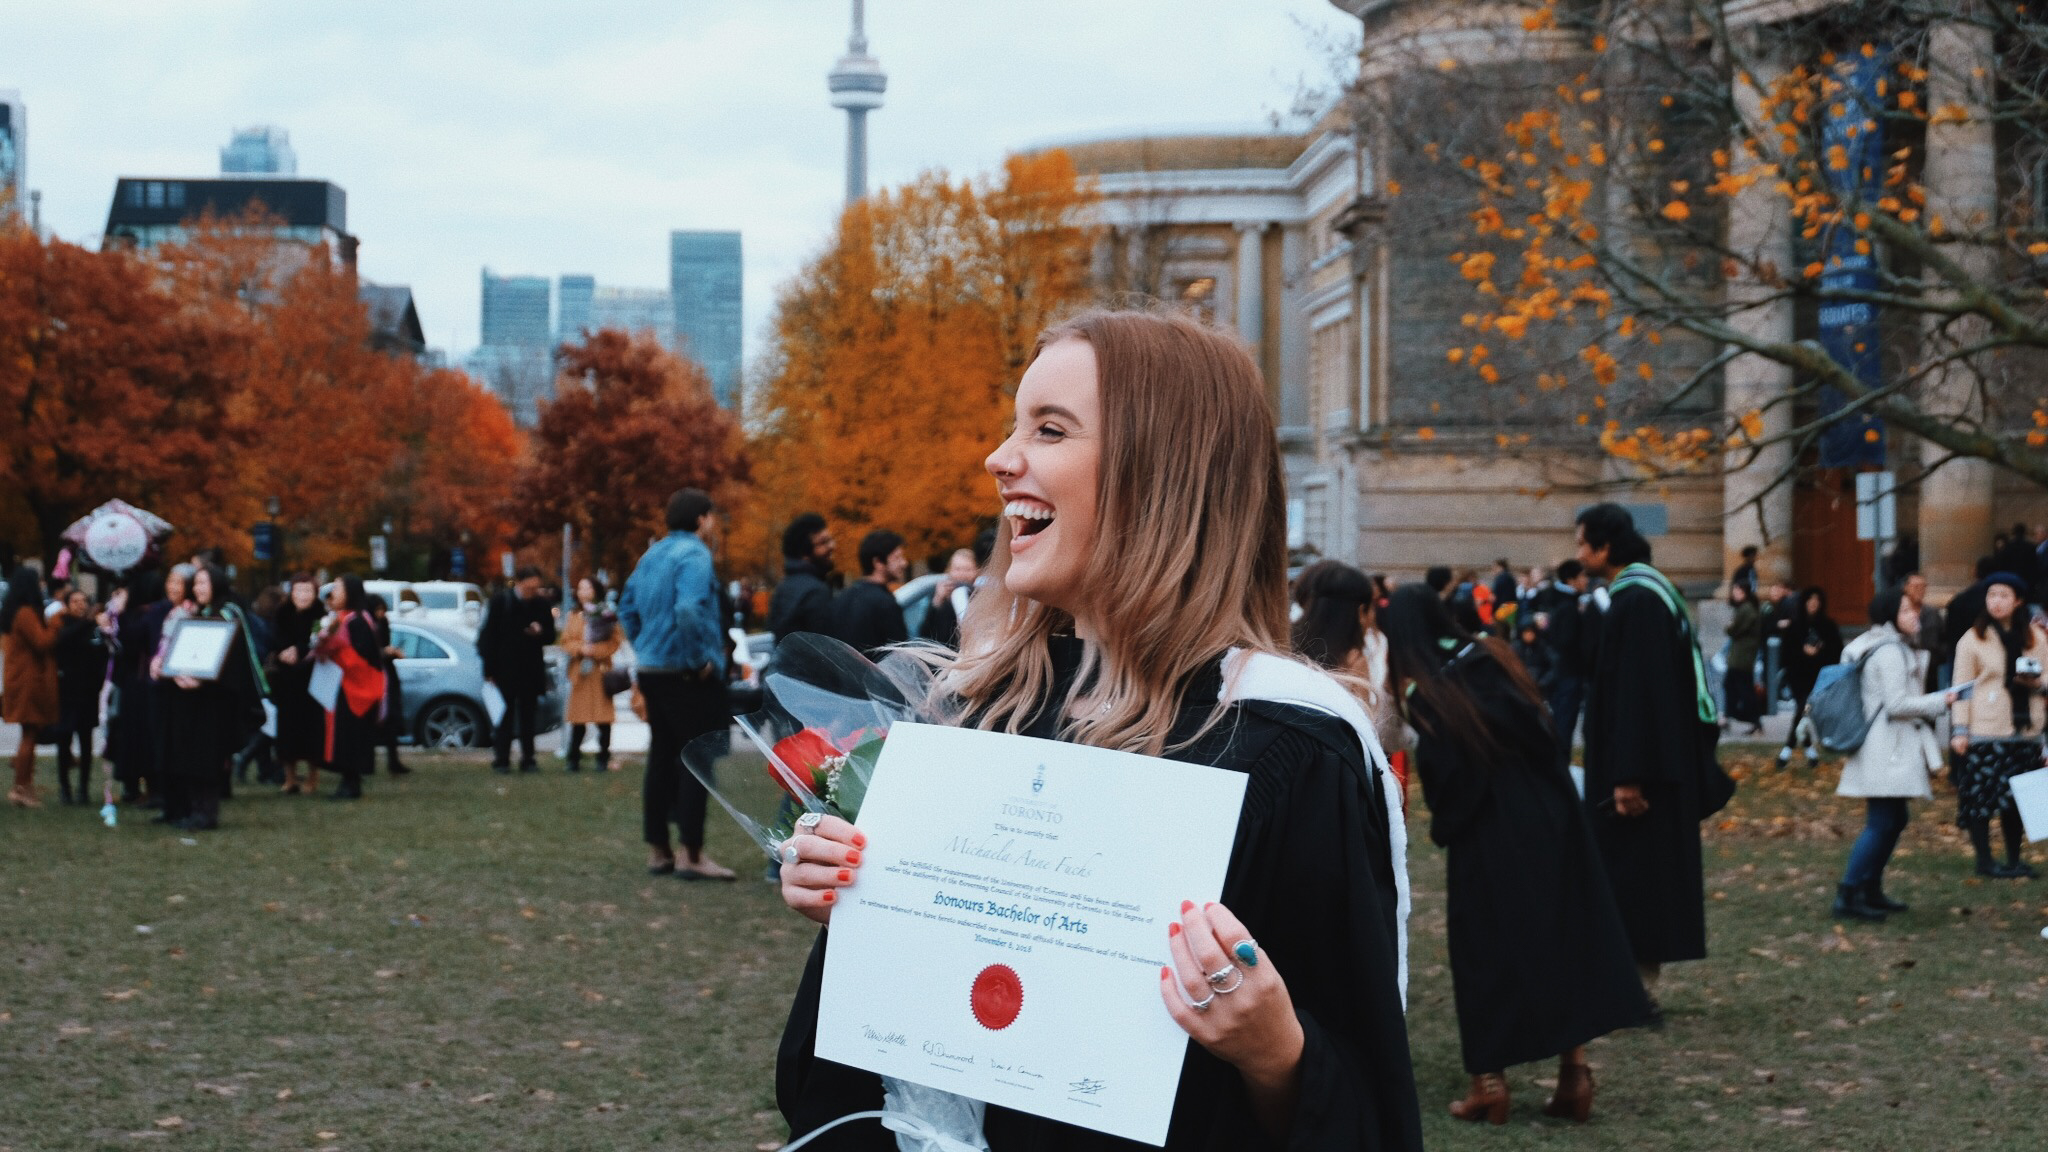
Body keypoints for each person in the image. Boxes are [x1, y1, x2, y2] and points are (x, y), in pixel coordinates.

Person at [774, 309, 1423, 1151]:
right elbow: (847, 1080)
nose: (1000, 460)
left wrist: (1274, 1051)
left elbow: (1364, 1116)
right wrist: (868, 911)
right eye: (1015, 428)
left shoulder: (1290, 749)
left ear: (1162, 476)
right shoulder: (980, 712)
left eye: (1049, 430)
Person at [1382, 584, 1650, 1124]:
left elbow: (1449, 779)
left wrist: (1448, 825)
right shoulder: (1494, 654)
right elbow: (1545, 730)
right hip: (1551, 815)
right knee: (1561, 936)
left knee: (1487, 949)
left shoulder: (1430, 691)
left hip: (1488, 833)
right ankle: (1574, 1076)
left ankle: (1490, 1083)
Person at [1576, 502, 1717, 1000]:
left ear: (1605, 547)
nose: (1578, 554)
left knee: (1635, 881)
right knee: (1638, 879)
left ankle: (1636, 988)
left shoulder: (1637, 600)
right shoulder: (1647, 593)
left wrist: (1628, 776)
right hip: (1650, 763)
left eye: (1582, 543)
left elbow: (1636, 693)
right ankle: (1632, 983)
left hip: (1638, 774)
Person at [620, 489, 735, 881]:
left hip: (652, 670)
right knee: (694, 759)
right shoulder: (695, 555)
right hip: (685, 673)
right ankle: (692, 853)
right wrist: (699, 657)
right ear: (702, 518)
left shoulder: (651, 554)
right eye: (711, 517)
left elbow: (626, 608)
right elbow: (688, 608)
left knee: (660, 757)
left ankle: (659, 851)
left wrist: (645, 647)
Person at [1833, 585, 1961, 921]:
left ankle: (1868, 887)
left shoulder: (1885, 645)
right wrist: (1942, 701)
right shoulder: (1889, 651)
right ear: (1891, 615)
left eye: (1913, 609)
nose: (1914, 614)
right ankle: (1850, 892)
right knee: (1881, 822)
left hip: (1887, 744)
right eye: (1906, 610)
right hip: (1886, 746)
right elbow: (1897, 704)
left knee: (1893, 819)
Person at [151, 564, 265, 829]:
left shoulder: (228, 612)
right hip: (193, 698)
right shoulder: (199, 613)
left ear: (217, 583)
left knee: (207, 758)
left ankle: (207, 813)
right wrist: (177, 672)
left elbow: (234, 659)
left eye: (204, 583)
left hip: (216, 699)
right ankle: (192, 810)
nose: (199, 588)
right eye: (197, 584)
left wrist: (202, 677)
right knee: (192, 756)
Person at [1948, 572, 2044, 879]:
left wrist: (2036, 683)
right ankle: (1985, 860)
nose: (1997, 602)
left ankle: (2014, 859)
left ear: (2018, 601)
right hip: (1986, 729)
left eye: (2004, 596)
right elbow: (1960, 688)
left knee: (2017, 800)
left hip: (2025, 730)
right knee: (1981, 797)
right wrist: (1960, 730)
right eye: (1992, 595)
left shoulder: (2037, 637)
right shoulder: (1973, 638)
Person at [478, 567, 556, 773]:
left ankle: (528, 758)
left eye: (536, 587)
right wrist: (489, 669)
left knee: (528, 715)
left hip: (530, 668)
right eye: (529, 586)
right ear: (519, 583)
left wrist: (540, 632)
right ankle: (502, 758)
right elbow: (488, 636)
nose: (533, 591)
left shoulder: (540, 604)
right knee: (504, 715)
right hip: (505, 668)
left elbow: (551, 636)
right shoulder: (501, 602)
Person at [313, 576, 385, 801]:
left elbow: (361, 657)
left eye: (337, 588)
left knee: (351, 735)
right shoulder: (342, 619)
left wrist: (335, 652)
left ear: (350, 593)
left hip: (356, 685)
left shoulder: (358, 621)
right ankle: (347, 780)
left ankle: (350, 783)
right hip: (342, 685)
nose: (333, 593)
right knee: (345, 735)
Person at [2, 566, 59, 809]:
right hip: (28, 682)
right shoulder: (25, 613)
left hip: (23, 679)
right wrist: (56, 623)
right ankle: (21, 788)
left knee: (30, 734)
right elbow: (42, 641)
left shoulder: (15, 612)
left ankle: (24, 785)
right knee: (29, 734)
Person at [109, 571, 168, 805]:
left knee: (135, 735)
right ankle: (144, 786)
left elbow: (130, 644)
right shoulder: (158, 612)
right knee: (141, 735)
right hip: (141, 680)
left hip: (137, 681)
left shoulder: (141, 615)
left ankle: (135, 786)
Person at [1531, 559, 1594, 765]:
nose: (1586, 580)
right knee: (1564, 724)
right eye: (1582, 576)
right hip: (1568, 673)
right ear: (1571, 579)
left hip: (1561, 672)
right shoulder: (1568, 606)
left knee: (1560, 722)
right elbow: (1566, 641)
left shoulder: (1559, 600)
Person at [52, 588, 111, 805]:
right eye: (75, 601)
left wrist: (98, 681)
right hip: (66, 691)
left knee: (86, 742)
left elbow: (102, 653)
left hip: (87, 692)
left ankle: (83, 789)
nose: (80, 605)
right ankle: (64, 788)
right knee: (64, 740)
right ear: (67, 604)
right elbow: (61, 641)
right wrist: (89, 622)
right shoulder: (62, 623)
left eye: (84, 601)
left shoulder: (94, 629)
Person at [269, 574, 326, 795]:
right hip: (286, 680)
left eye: (307, 591)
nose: (302, 596)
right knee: (287, 729)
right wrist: (283, 651)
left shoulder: (321, 615)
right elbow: (273, 638)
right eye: (298, 591)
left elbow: (319, 639)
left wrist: (300, 650)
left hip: (311, 678)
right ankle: (289, 777)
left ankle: (312, 776)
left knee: (311, 729)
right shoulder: (281, 613)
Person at [561, 576, 621, 773]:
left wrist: (596, 650)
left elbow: (614, 641)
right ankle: (574, 758)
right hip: (581, 673)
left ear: (595, 590)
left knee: (603, 719)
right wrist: (580, 649)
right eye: (579, 588)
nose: (582, 592)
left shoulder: (606, 614)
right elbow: (566, 641)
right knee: (579, 719)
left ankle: (603, 757)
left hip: (600, 673)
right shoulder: (574, 615)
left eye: (586, 588)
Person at [1778, 586, 1843, 766]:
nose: (1813, 604)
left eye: (1817, 601)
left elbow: (1835, 652)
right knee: (1802, 708)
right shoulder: (1795, 627)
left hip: (1818, 677)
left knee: (1804, 710)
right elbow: (1786, 654)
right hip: (1798, 675)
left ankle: (1799, 750)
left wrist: (1818, 652)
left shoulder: (1828, 627)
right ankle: (1791, 749)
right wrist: (1803, 651)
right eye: (1810, 600)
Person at [829, 530, 909, 658]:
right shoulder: (885, 602)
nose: (904, 563)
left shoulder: (842, 598)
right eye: (897, 557)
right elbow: (899, 654)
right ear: (878, 562)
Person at [768, 513, 836, 646]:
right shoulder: (816, 592)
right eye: (823, 542)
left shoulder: (783, 587)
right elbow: (826, 649)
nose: (832, 546)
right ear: (804, 553)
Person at [366, 596, 411, 776]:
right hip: (375, 675)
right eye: (378, 609)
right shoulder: (369, 625)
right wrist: (385, 652)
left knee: (391, 719)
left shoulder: (382, 623)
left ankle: (393, 760)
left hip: (387, 675)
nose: (381, 613)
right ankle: (369, 761)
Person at [916, 542, 986, 649]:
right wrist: (937, 601)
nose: (962, 574)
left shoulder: (983, 596)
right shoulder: (939, 597)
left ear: (977, 571)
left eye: (967, 569)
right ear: (950, 571)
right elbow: (925, 634)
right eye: (957, 569)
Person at [1723, 581, 1764, 735]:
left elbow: (1734, 630)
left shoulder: (1746, 609)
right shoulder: (1745, 609)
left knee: (1741, 688)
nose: (1735, 594)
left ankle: (1746, 717)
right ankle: (1733, 716)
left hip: (1742, 657)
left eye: (1738, 591)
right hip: (1741, 656)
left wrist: (1729, 626)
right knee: (1735, 686)